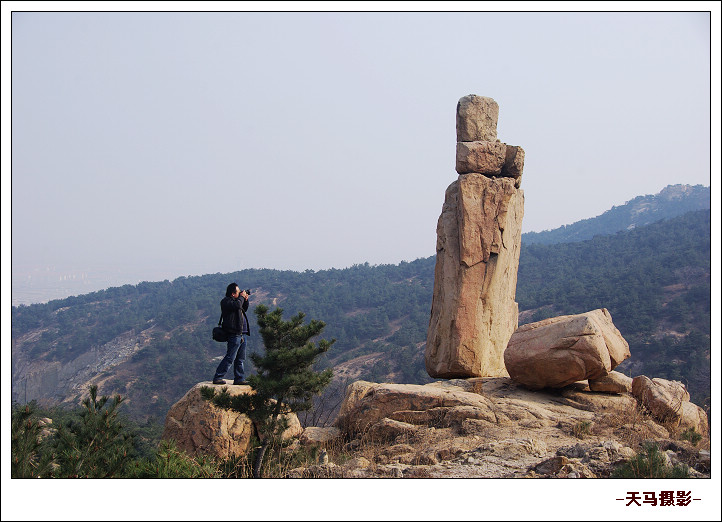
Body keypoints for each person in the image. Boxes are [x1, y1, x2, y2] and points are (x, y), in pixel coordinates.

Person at [212, 283, 250, 385]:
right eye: (238, 292)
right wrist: (241, 298)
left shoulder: (237, 301)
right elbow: (237, 305)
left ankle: (239, 378)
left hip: (242, 333)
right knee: (230, 358)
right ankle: (218, 377)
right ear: (233, 294)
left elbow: (243, 308)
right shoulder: (226, 302)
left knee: (240, 358)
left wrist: (245, 300)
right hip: (234, 334)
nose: (240, 293)